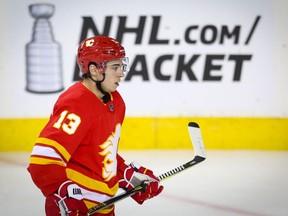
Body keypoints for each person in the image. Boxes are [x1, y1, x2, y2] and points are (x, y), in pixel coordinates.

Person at [27, 36, 164, 216]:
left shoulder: (116, 101)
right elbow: (43, 160)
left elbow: (99, 152)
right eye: (115, 67)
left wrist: (126, 175)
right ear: (94, 70)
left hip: (104, 207)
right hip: (76, 208)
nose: (121, 73)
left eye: (121, 66)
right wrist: (63, 192)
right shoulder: (75, 104)